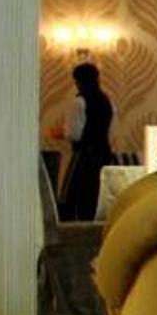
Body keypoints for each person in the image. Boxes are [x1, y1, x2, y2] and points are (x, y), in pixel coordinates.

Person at [56, 60, 119, 220]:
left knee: (78, 197)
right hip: (104, 156)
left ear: (78, 81)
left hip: (84, 157)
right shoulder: (108, 101)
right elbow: (112, 132)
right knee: (98, 194)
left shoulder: (78, 102)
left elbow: (74, 133)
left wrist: (61, 133)